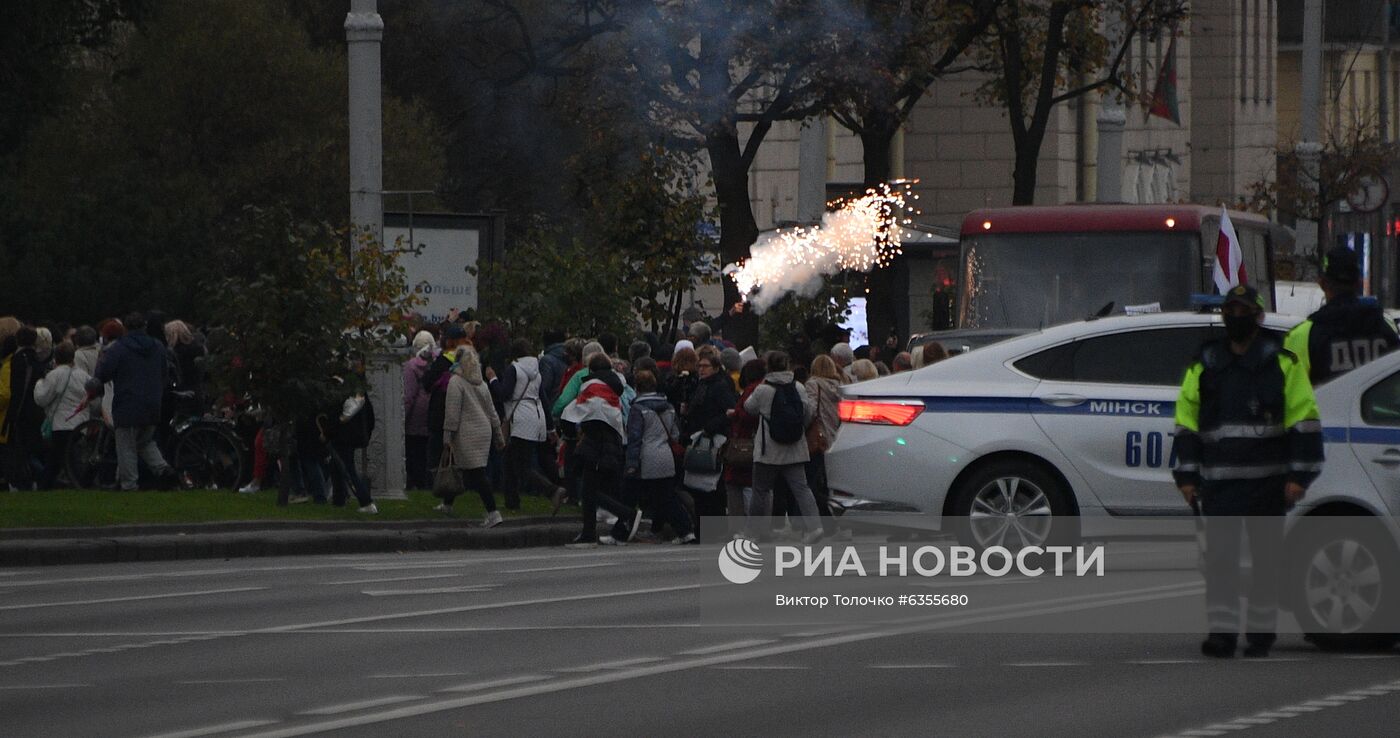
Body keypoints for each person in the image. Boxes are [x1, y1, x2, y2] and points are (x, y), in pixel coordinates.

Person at [1173, 284, 1324, 658]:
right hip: (1219, 487)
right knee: (1221, 563)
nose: (1235, 316)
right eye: (1230, 309)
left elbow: (1304, 421)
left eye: (1243, 310)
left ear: (1258, 317)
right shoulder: (1205, 364)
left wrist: (1298, 478)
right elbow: (1186, 423)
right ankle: (1222, 634)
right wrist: (1187, 478)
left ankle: (1260, 633)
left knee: (1265, 564)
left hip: (1269, 486)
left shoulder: (1282, 364)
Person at [88, 312, 178, 491]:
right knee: (145, 441)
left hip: (127, 403)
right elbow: (164, 373)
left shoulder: (119, 348)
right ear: (144, 327)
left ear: (126, 328)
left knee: (126, 445)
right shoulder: (158, 347)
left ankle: (129, 484)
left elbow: (103, 373)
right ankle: (163, 470)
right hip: (153, 402)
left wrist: (93, 386)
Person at [1284, 245, 1399, 385]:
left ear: (1322, 283)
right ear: (1359, 283)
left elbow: (1288, 393)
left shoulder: (1304, 336)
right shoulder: (1385, 330)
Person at [743, 351, 823, 543]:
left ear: (768, 367)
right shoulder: (798, 387)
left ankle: (753, 532)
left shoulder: (764, 390)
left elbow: (748, 407)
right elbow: (808, 412)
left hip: (768, 450)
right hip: (795, 448)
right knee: (802, 489)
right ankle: (815, 527)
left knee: (760, 490)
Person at [563, 353, 642, 547]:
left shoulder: (593, 385)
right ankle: (589, 532)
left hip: (596, 441)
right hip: (610, 441)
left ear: (591, 369)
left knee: (589, 490)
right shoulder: (613, 385)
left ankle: (626, 514)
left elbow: (582, 410)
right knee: (591, 489)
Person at [490, 338, 567, 511]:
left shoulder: (514, 369)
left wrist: (493, 379)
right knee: (509, 462)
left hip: (520, 420)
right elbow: (544, 400)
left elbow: (504, 394)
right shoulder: (536, 372)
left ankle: (552, 490)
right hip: (535, 416)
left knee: (521, 466)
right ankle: (512, 503)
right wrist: (550, 428)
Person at [625, 370, 695, 544]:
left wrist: (631, 463)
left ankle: (684, 529)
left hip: (647, 455)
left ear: (637, 387)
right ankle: (665, 529)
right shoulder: (669, 406)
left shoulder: (638, 408)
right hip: (666, 455)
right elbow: (675, 433)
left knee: (658, 497)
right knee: (663, 494)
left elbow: (635, 438)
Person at [440, 346, 506, 527]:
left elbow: (452, 413)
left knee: (475, 473)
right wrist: (499, 436)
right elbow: (492, 412)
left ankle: (493, 512)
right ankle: (447, 503)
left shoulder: (456, 382)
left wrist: (447, 437)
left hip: (465, 431)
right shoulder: (482, 384)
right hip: (483, 431)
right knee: (464, 468)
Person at [34, 341, 91, 490]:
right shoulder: (83, 375)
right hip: (80, 423)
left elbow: (41, 398)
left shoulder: (54, 375)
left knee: (55, 458)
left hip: (61, 423)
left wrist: (39, 383)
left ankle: (46, 486)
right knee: (73, 458)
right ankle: (79, 483)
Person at [321, 378, 378, 514]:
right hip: (353, 437)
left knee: (348, 470)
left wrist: (326, 433)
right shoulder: (358, 392)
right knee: (337, 467)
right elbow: (370, 417)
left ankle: (366, 501)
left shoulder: (338, 395)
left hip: (341, 437)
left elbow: (335, 418)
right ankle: (338, 500)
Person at [725, 359, 768, 528]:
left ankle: (741, 526)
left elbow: (749, 414)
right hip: (756, 441)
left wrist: (735, 414)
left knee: (738, 483)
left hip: (744, 441)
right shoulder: (764, 388)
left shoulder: (752, 390)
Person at [2, 327, 44, 490]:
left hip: (20, 410)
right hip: (36, 409)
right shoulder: (37, 358)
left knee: (18, 449)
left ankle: (27, 479)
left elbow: (15, 389)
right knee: (32, 447)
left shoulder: (17, 359)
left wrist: (11, 414)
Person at [806, 355, 844, 533]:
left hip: (820, 439)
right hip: (839, 438)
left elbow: (811, 411)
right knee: (835, 484)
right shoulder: (842, 386)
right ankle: (840, 521)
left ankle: (827, 522)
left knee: (815, 483)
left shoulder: (813, 384)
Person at [402, 331, 436, 490]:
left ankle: (416, 483)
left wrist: (402, 418)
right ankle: (426, 483)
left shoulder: (410, 367)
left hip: (415, 416)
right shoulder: (436, 364)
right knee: (425, 453)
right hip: (431, 413)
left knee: (412, 453)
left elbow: (409, 395)